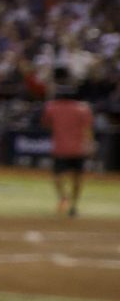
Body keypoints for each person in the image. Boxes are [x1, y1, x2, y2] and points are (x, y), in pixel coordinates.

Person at [41, 76, 95, 218]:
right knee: (77, 178)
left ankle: (63, 198)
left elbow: (46, 124)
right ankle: (74, 205)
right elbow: (87, 129)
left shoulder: (52, 107)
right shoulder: (83, 108)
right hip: (78, 148)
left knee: (58, 176)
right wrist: (90, 144)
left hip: (60, 148)